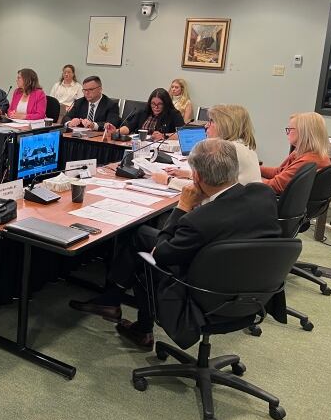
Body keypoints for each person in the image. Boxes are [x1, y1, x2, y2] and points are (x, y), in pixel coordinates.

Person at [69, 139, 281, 349]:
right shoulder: (263, 194)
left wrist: (182, 206)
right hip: (253, 288)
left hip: (205, 295)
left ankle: (136, 323)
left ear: (196, 176)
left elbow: (160, 253)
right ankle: (114, 301)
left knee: (142, 254)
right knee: (142, 234)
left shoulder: (201, 220)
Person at [156, 104, 262, 186]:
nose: (206, 125)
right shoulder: (244, 146)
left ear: (224, 125)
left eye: (211, 121)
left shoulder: (227, 151)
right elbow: (217, 181)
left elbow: (205, 189)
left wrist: (168, 180)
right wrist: (188, 174)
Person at [260, 112, 331, 194]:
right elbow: (279, 172)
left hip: (282, 203)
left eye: (290, 129)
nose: (287, 133)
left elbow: (276, 186)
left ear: (304, 132)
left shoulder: (308, 160)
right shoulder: (305, 153)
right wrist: (255, 168)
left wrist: (247, 179)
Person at [107, 87, 184, 141]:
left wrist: (164, 136)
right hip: (140, 146)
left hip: (161, 149)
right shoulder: (143, 112)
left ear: (166, 103)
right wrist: (116, 131)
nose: (156, 107)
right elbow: (129, 127)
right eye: (153, 104)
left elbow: (182, 134)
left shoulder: (174, 114)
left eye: (160, 104)